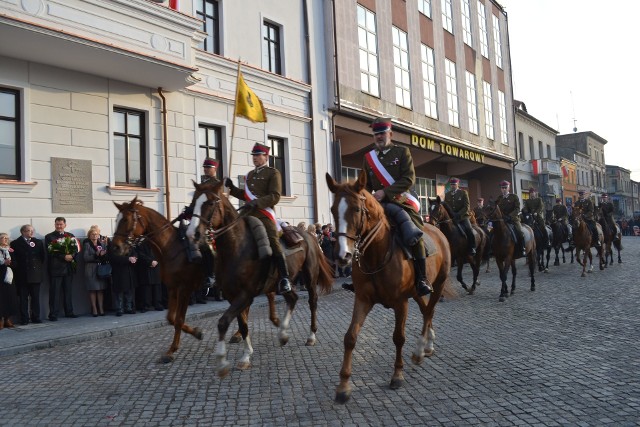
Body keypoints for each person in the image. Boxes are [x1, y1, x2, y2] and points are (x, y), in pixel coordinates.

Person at [362, 117, 431, 295]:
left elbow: (408, 179)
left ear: (390, 134)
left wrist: (385, 192)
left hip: (401, 201)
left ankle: (422, 278)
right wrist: (366, 196)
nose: (379, 137)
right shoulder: (368, 157)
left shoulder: (402, 152)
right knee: (360, 231)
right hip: (377, 204)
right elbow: (366, 184)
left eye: (382, 133)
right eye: (376, 134)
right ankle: (361, 277)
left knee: (413, 231)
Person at [224, 143, 292, 294]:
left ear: (266, 157)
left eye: (258, 155)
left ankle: (284, 277)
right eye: (253, 155)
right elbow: (245, 195)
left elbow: (275, 196)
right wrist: (232, 188)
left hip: (264, 214)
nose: (255, 158)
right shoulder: (250, 175)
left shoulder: (273, 173)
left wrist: (257, 202)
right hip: (248, 213)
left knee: (273, 241)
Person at [10, 225, 46, 326]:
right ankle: (24, 318)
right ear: (22, 232)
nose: (31, 232)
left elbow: (42, 257)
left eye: (32, 230)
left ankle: (36, 317)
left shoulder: (38, 242)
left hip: (35, 274)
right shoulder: (15, 243)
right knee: (23, 298)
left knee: (35, 297)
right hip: (22, 274)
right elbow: (14, 259)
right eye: (28, 230)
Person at [45, 217, 79, 321]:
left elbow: (75, 249)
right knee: (55, 293)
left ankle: (69, 312)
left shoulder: (70, 236)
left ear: (65, 225)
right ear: (54, 225)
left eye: (61, 224)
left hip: (68, 268)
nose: (59, 226)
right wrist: (63, 256)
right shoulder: (49, 237)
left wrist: (72, 256)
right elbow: (51, 252)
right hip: (56, 269)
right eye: (57, 224)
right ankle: (53, 314)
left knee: (68, 292)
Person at [444, 177, 476, 255]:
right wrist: (451, 214)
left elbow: (466, 207)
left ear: (457, 184)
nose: (452, 186)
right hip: (452, 218)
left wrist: (458, 214)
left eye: (454, 184)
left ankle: (472, 247)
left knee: (469, 229)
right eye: (451, 184)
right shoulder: (447, 194)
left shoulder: (463, 193)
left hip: (462, 217)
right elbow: (446, 206)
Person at [82, 225, 108, 317]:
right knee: (93, 290)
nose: (94, 236)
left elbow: (106, 256)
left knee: (100, 289)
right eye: (92, 234)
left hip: (100, 269)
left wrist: (104, 254)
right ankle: (94, 309)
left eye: (96, 234)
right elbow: (85, 257)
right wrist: (96, 255)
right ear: (89, 235)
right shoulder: (87, 244)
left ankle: (101, 308)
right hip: (90, 269)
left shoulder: (102, 244)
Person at [495, 180, 527, 257]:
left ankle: (523, 248)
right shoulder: (499, 198)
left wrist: (510, 216)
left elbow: (517, 209)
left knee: (520, 232)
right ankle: (492, 249)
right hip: (502, 219)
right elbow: (495, 208)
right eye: (502, 188)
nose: (504, 189)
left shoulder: (514, 197)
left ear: (508, 188)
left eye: (505, 188)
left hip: (513, 219)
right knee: (493, 231)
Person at [109, 246, 138, 316]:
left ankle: (129, 308)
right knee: (119, 292)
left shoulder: (129, 245)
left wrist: (134, 258)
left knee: (129, 291)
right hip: (119, 272)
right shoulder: (113, 246)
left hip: (129, 271)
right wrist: (128, 259)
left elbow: (134, 253)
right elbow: (114, 258)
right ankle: (119, 309)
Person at [136, 239, 163, 312]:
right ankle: (146, 305)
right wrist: (150, 261)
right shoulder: (141, 243)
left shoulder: (157, 242)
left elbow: (161, 252)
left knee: (157, 288)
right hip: (146, 268)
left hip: (156, 267)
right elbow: (140, 255)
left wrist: (156, 261)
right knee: (146, 289)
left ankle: (158, 304)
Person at [0, 233, 18, 329]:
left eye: (7, 238)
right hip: (0, 277)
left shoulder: (10, 250)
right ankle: (1, 319)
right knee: (1, 298)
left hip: (9, 278)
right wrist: (3, 263)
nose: (5, 239)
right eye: (3, 238)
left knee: (9, 298)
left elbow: (15, 263)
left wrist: (9, 263)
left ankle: (7, 319)